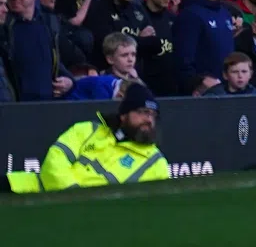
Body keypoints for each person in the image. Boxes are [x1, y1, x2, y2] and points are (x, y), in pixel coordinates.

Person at [7, 82, 169, 193]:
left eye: (153, 115)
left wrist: (80, 206)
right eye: (143, 112)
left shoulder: (156, 164)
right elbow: (55, 162)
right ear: (124, 114)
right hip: (31, 191)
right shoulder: (86, 130)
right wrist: (73, 196)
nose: (149, 120)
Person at [172, 0, 239, 93]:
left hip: (228, 95)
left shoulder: (225, 13)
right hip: (203, 99)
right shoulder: (190, 15)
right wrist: (197, 83)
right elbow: (182, 62)